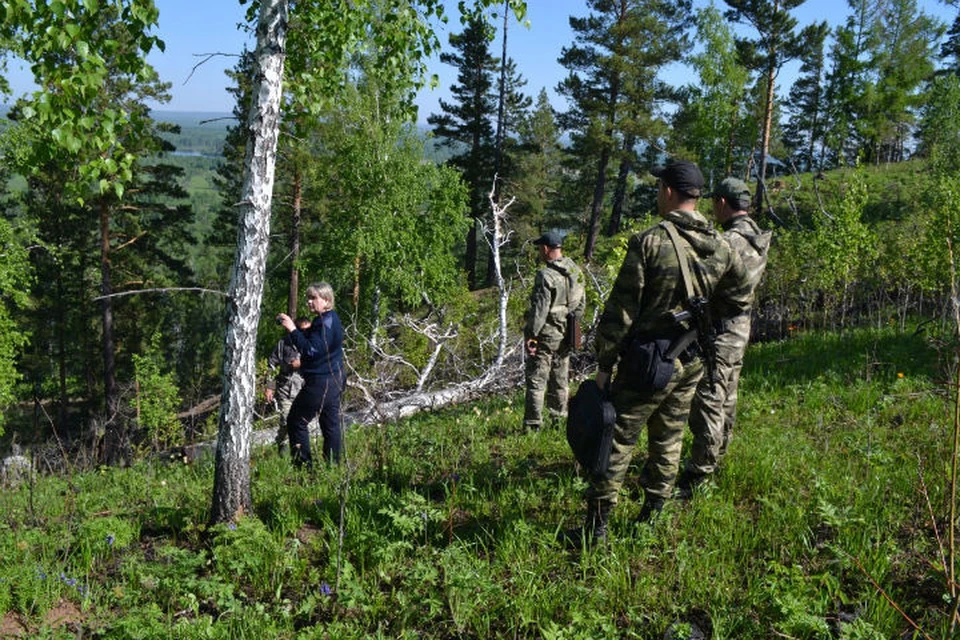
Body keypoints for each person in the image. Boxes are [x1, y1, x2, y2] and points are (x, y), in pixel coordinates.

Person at [567, 159, 751, 544]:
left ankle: (596, 529)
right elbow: (738, 298)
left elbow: (621, 312)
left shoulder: (650, 241)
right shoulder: (721, 245)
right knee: (669, 437)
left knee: (615, 439)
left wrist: (605, 365)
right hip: (691, 359)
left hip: (646, 364)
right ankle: (652, 515)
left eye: (658, 188)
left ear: (668, 191)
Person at [677, 177, 771, 497]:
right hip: (741, 325)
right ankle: (719, 454)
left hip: (720, 327)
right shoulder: (758, 236)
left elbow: (704, 282)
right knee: (727, 392)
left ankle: (700, 472)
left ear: (721, 203)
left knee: (708, 397)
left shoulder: (728, 241)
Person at [277, 282, 345, 467]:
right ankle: (333, 466)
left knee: (296, 421)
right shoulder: (330, 319)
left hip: (321, 382)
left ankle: (304, 468)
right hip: (335, 379)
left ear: (326, 300)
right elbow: (319, 343)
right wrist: (300, 332)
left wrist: (292, 329)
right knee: (330, 424)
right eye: (308, 298)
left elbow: (311, 350)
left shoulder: (324, 323)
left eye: (313, 298)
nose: (309, 302)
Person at [523, 230, 585, 431]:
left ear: (546, 248)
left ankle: (533, 424)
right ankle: (559, 420)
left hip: (546, 335)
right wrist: (573, 327)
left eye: (540, 248)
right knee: (560, 378)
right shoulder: (576, 271)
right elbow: (581, 305)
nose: (540, 252)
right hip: (567, 333)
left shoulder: (545, 275)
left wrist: (531, 336)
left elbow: (539, 312)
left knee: (537, 379)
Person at [264, 317, 313, 455]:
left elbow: (320, 361)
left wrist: (302, 363)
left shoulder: (312, 344)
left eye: (308, 330)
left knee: (302, 422)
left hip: (306, 389)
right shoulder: (283, 344)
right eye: (302, 330)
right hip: (285, 390)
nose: (306, 333)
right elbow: (271, 366)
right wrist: (269, 387)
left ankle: (299, 451)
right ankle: (282, 449)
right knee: (286, 420)